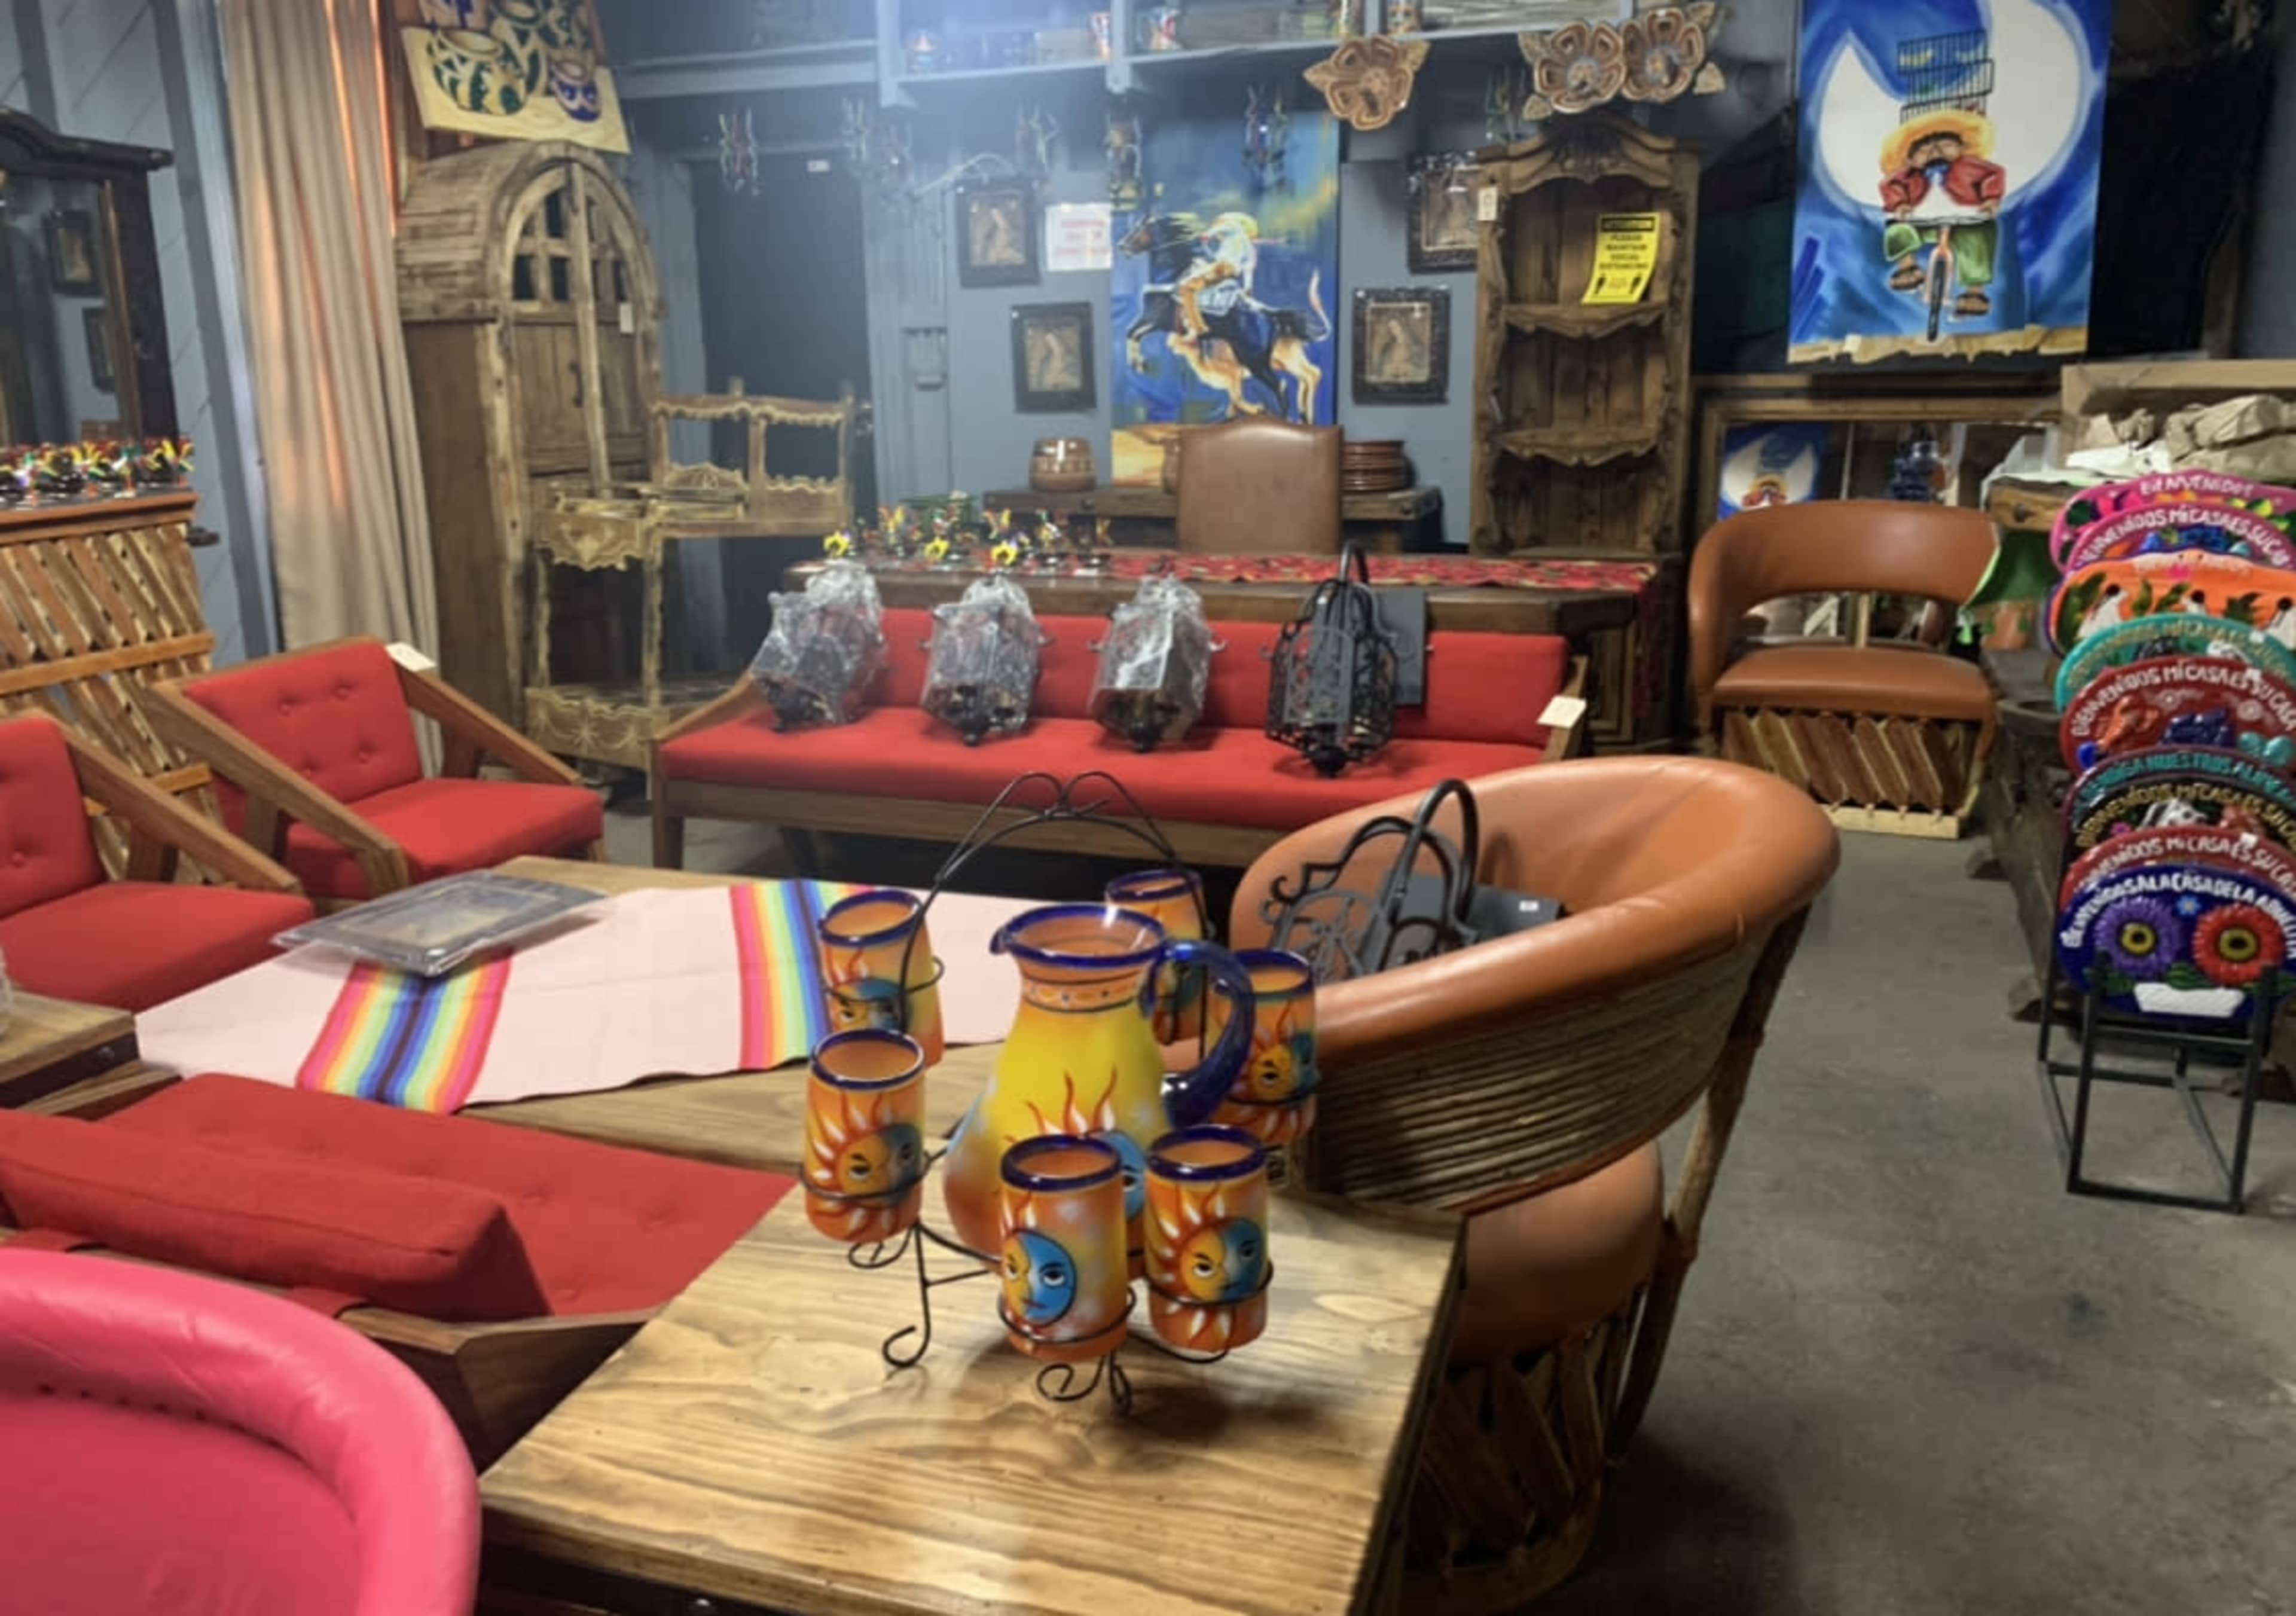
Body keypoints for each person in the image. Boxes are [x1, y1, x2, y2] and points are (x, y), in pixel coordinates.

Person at [1879, 108, 2005, 319]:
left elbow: (1994, 174)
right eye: (1923, 150)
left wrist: (1991, 199)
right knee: (1897, 229)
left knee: (1979, 239)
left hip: (1966, 218)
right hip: (1922, 221)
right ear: (1910, 159)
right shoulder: (1909, 174)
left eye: (1946, 145)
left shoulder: (1970, 166)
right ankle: (1907, 267)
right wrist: (1900, 204)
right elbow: (1890, 185)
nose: (1935, 152)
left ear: (1962, 148)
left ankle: (1975, 293)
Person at [1174, 212, 1259, 352]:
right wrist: (1248, 288)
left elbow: (1219, 230)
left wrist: (1207, 234)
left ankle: (1197, 330)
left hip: (1221, 268)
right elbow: (1248, 269)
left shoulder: (1234, 228)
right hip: (1228, 271)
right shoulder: (1248, 247)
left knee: (1186, 288)